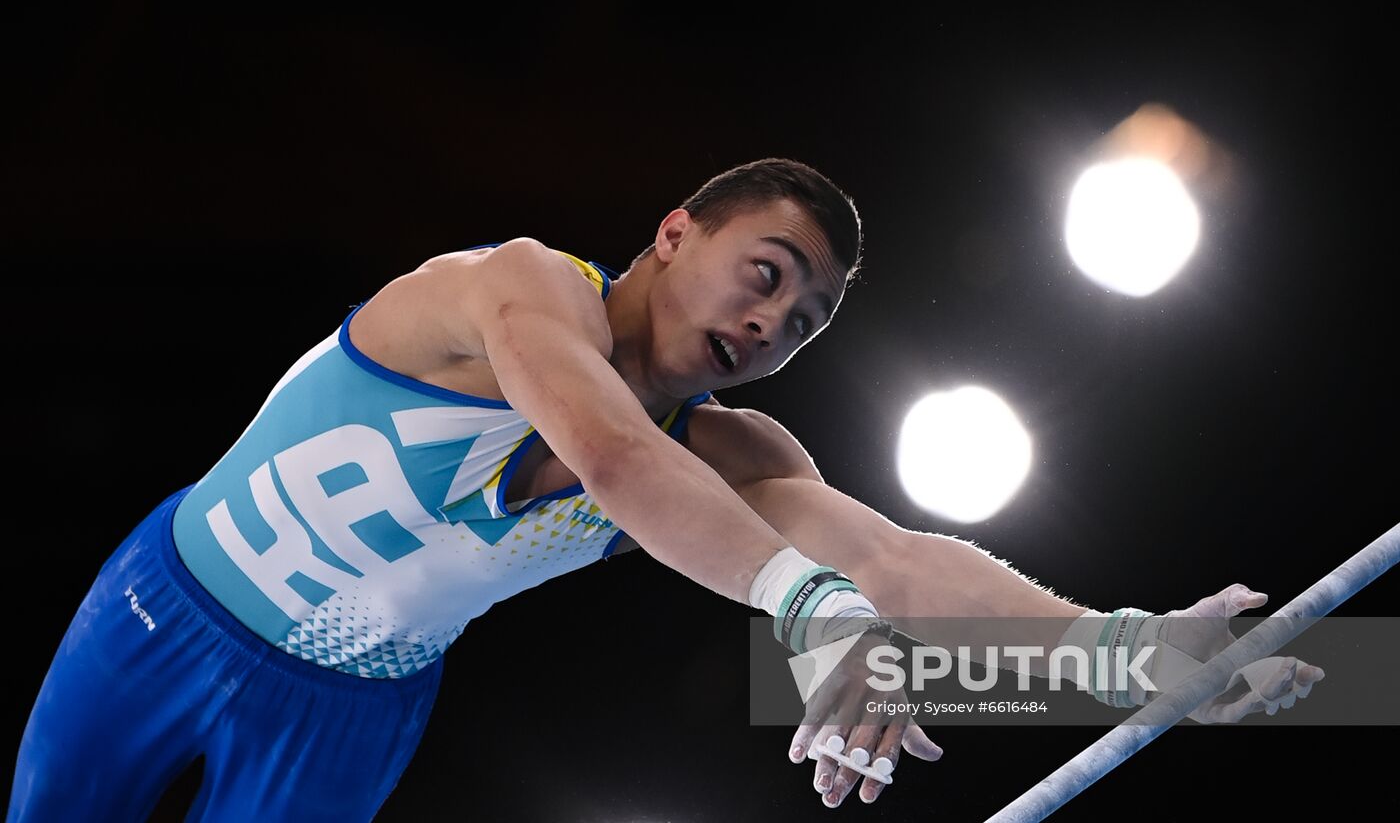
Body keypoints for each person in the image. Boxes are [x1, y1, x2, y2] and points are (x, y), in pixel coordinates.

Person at [9, 158, 1322, 820]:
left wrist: (1121, 655)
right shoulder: (515, 288)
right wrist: (812, 616)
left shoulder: (731, 454)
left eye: (804, 322)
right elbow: (611, 460)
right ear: (676, 233)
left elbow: (895, 559)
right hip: (166, 614)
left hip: (351, 712)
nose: (772, 326)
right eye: (765, 274)